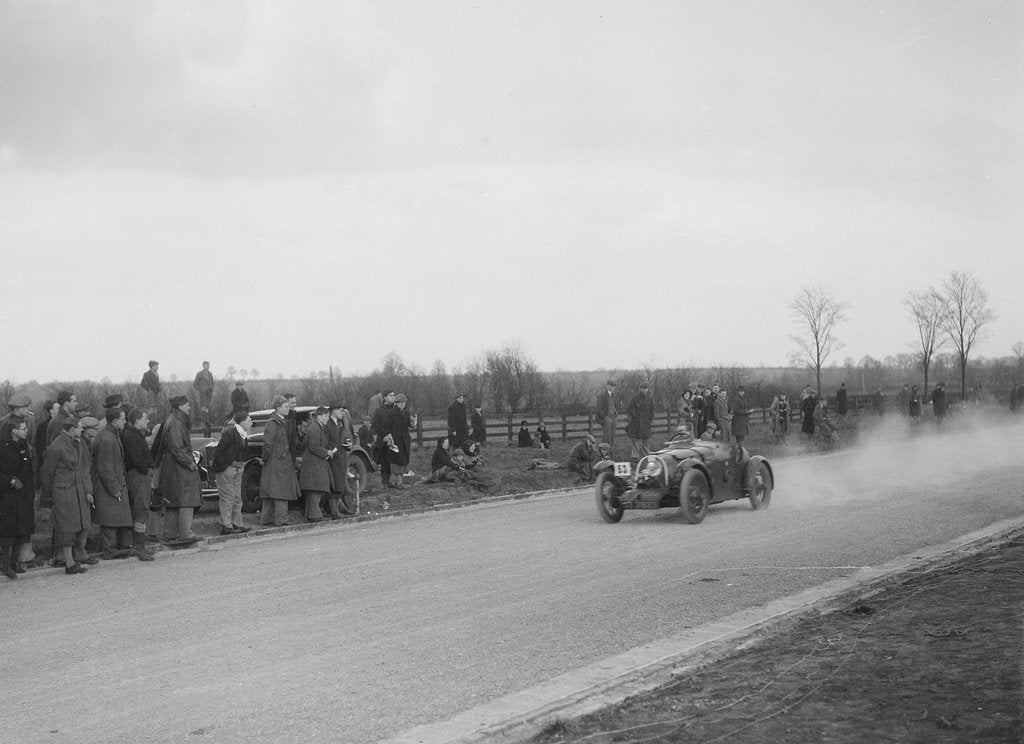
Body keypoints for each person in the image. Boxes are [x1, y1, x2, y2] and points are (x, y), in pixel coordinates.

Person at [40, 418, 95, 574]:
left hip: (76, 492)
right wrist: (49, 497)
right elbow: (46, 474)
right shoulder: (56, 447)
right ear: (71, 430)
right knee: (66, 528)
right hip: (63, 493)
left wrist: (88, 491)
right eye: (79, 428)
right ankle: (69, 563)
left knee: (78, 525)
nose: (81, 430)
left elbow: (83, 470)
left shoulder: (76, 443)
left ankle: (74, 559)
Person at [154, 395, 202, 544]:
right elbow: (176, 447)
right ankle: (185, 533)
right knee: (187, 499)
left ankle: (171, 534)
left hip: (172, 466)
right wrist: (189, 463)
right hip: (179, 467)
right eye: (187, 405)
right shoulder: (176, 422)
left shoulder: (172, 420)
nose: (189, 407)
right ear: (180, 406)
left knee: (173, 501)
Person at [92, 407, 135, 560]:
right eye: (123, 419)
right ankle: (110, 550)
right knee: (110, 518)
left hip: (115, 484)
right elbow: (105, 467)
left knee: (116, 516)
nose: (125, 422)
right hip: (109, 487)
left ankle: (119, 547)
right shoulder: (106, 438)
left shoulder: (110, 435)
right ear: (115, 420)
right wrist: (114, 488)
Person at [0, 419, 35, 579]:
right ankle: (5, 565)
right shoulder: (2, 447)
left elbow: (28, 470)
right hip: (7, 495)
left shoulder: (23, 446)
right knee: (8, 531)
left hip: (23, 495)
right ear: (13, 431)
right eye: (22, 428)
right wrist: (11, 481)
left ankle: (14, 563)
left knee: (22, 529)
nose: (26, 430)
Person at [258, 395, 301, 527]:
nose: (289, 408)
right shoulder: (273, 423)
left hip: (279, 461)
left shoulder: (281, 422)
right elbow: (268, 445)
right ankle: (281, 520)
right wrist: (265, 459)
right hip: (277, 462)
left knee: (271, 491)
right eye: (286, 406)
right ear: (278, 408)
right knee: (281, 491)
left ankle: (266, 519)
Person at [209, 410, 253, 535]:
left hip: (237, 469)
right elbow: (219, 452)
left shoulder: (242, 434)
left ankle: (236, 524)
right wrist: (225, 466)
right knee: (227, 497)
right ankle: (226, 525)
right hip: (228, 469)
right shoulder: (230, 434)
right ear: (242, 422)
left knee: (237, 497)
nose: (251, 423)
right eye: (249, 421)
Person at [122, 407, 158, 558]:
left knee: (142, 509)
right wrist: (146, 470)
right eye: (145, 418)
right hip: (138, 476)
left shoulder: (135, 434)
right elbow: (138, 460)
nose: (148, 420)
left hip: (140, 475)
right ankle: (139, 547)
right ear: (137, 420)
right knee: (141, 509)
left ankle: (140, 545)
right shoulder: (131, 436)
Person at [299, 406, 333, 522]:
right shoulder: (314, 428)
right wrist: (326, 452)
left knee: (316, 488)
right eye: (326, 416)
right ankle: (314, 515)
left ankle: (312, 514)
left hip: (314, 462)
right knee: (315, 488)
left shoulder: (318, 427)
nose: (327, 418)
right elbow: (313, 446)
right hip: (313, 463)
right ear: (319, 416)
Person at [326, 402, 355, 517]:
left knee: (340, 485)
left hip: (341, 458)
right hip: (333, 459)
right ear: (333, 411)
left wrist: (346, 444)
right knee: (334, 486)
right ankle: (334, 511)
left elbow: (341, 439)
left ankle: (339, 509)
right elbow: (327, 441)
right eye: (340, 411)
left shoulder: (339, 424)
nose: (342, 413)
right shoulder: (328, 424)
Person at [384, 394, 416, 489]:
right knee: (397, 462)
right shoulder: (391, 413)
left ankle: (400, 483)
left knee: (404, 461)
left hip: (405, 440)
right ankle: (398, 483)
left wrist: (413, 421)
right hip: (395, 441)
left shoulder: (406, 413)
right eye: (400, 402)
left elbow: (409, 425)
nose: (402, 404)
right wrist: (389, 437)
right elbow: (386, 427)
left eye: (404, 402)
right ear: (396, 403)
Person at [370, 390, 396, 488]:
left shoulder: (396, 409)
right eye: (390, 396)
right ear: (385, 397)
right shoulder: (379, 410)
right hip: (384, 439)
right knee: (385, 461)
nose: (393, 397)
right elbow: (375, 425)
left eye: (393, 395)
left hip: (395, 439)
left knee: (394, 460)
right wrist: (385, 434)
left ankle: (396, 481)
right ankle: (385, 482)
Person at [626, 382, 655, 462]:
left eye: (646, 388)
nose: (644, 390)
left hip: (646, 423)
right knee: (635, 441)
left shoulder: (650, 397)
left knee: (646, 442)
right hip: (636, 424)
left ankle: (647, 458)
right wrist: (635, 417)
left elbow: (653, 409)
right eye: (643, 388)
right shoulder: (635, 397)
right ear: (640, 389)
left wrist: (650, 418)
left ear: (648, 389)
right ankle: (635, 458)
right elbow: (630, 408)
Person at [594, 380, 618, 451]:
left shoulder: (613, 395)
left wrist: (616, 414)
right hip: (607, 418)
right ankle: (604, 452)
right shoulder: (602, 395)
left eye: (613, 386)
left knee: (612, 436)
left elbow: (615, 406)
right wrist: (605, 417)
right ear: (607, 386)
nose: (612, 387)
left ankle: (610, 451)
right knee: (606, 436)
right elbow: (599, 408)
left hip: (614, 418)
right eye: (611, 385)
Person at [193, 361, 215, 436]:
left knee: (208, 407)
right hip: (202, 393)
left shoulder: (210, 374)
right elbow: (195, 384)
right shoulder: (199, 374)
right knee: (203, 407)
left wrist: (211, 389)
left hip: (209, 393)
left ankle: (208, 422)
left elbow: (212, 383)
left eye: (208, 365)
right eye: (206, 365)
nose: (207, 367)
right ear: (203, 366)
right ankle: (204, 422)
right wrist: (200, 390)